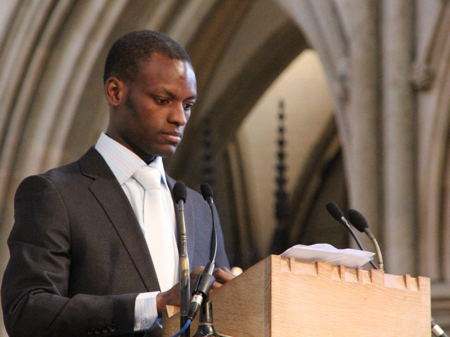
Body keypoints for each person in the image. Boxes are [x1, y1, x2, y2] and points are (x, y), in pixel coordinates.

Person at [1, 30, 233, 337]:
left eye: (188, 105)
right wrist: (155, 304)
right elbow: (27, 311)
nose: (180, 118)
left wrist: (236, 297)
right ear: (115, 92)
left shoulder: (200, 208)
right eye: (163, 100)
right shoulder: (56, 194)